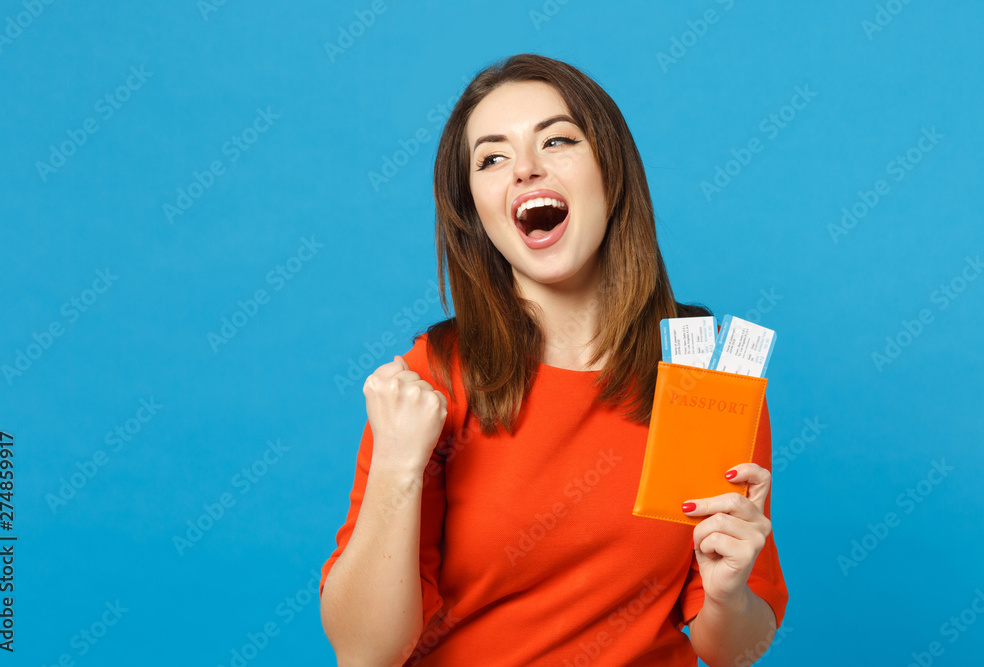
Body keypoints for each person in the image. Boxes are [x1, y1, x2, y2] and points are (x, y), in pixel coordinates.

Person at [319, 53, 789, 666]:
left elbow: (736, 651)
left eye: (558, 140)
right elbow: (363, 654)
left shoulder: (704, 373)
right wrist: (397, 470)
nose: (525, 170)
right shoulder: (431, 379)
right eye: (491, 158)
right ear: (475, 210)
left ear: (611, 171)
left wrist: (727, 594)